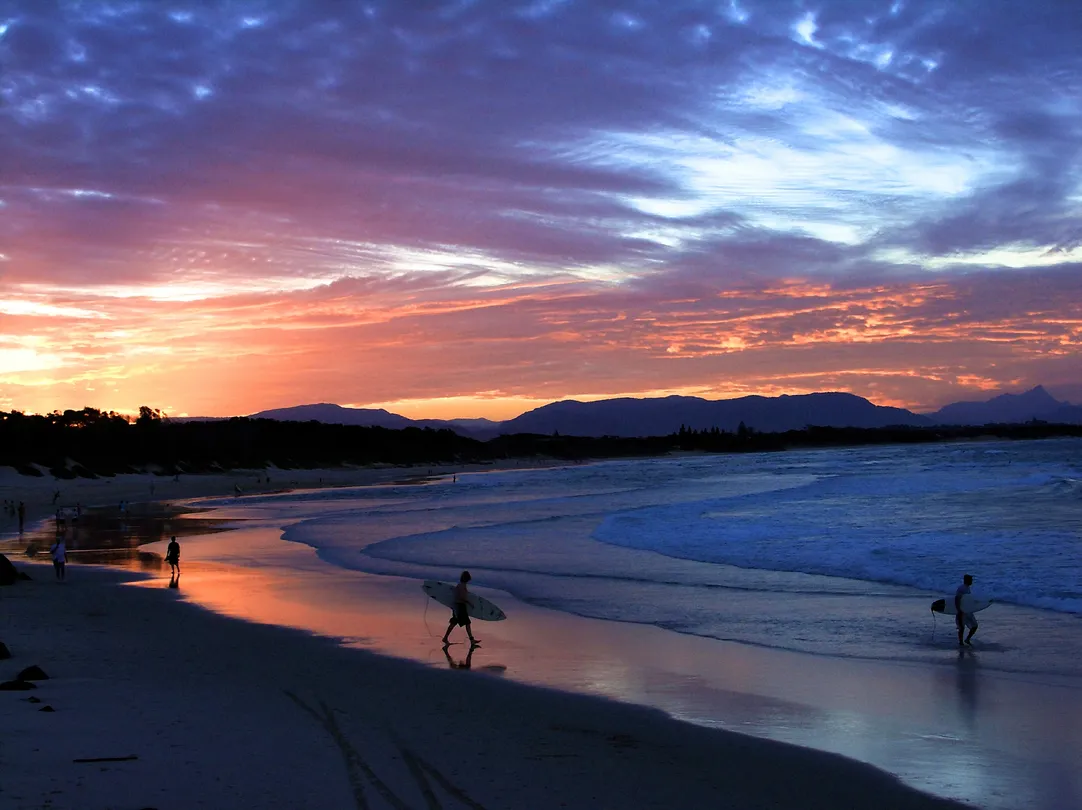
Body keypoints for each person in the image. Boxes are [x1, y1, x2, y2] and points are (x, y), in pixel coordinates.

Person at [441, 570, 479, 646]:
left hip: (458, 606)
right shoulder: (461, 586)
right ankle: (472, 640)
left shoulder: (461, 585)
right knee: (467, 623)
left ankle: (445, 638)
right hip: (460, 606)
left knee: (454, 622)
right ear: (466, 578)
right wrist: (469, 603)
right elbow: (461, 597)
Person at [955, 573, 978, 646]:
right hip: (962, 611)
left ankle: (967, 639)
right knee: (961, 628)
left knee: (975, 626)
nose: (972, 581)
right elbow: (957, 599)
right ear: (967, 580)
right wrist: (959, 610)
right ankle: (961, 642)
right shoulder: (961, 588)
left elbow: (967, 600)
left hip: (968, 611)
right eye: (971, 580)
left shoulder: (967, 588)